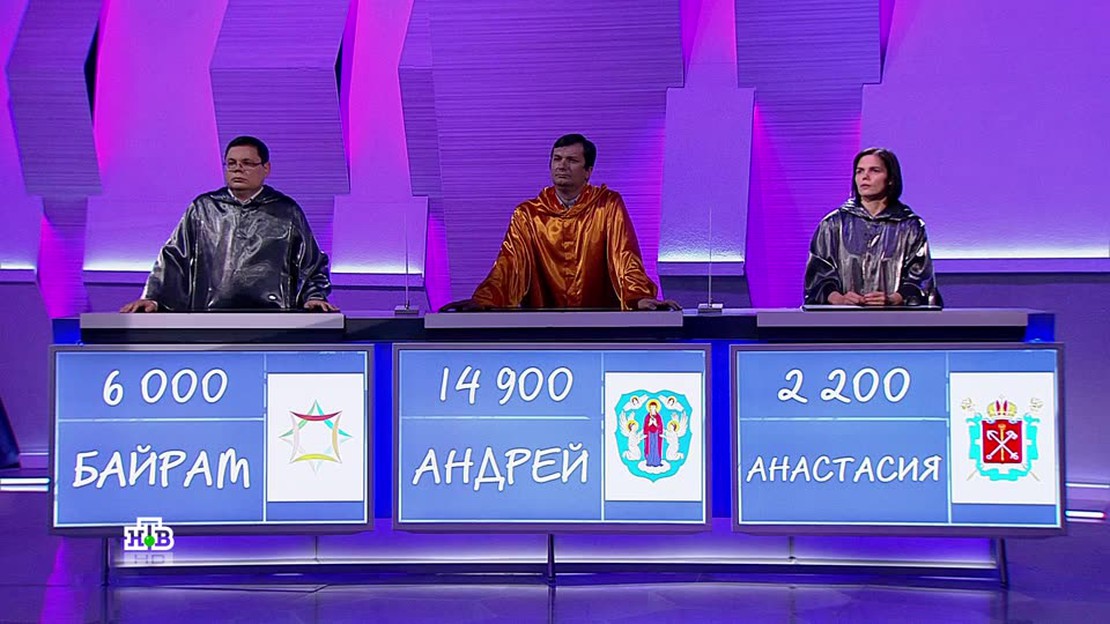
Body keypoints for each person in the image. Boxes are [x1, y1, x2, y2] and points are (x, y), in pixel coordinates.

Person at [440, 134, 679, 311]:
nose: (562, 166)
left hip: (599, 324)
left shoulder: (607, 205)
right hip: (544, 326)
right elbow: (509, 265)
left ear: (588, 171)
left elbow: (625, 257)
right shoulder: (528, 214)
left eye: (572, 160)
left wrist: (638, 297)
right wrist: (484, 300)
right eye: (557, 159)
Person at [121, 136, 338, 313]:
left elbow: (311, 262)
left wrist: (314, 296)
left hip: (272, 319)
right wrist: (153, 296)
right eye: (231, 163)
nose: (237, 169)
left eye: (247, 163)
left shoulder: (286, 211)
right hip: (209, 318)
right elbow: (175, 257)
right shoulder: (204, 208)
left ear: (266, 168)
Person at [803, 147, 940, 307]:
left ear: (890, 179)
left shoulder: (910, 226)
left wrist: (893, 299)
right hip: (843, 319)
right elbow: (817, 277)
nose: (865, 176)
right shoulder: (833, 224)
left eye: (874, 170)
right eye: (859, 171)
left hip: (894, 319)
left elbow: (921, 280)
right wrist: (839, 299)